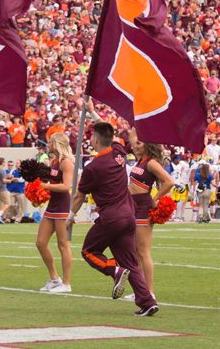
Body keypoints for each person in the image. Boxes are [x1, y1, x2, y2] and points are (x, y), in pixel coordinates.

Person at [68, 122, 158, 317]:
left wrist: (70, 216)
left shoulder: (93, 167)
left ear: (95, 139)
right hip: (129, 214)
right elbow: (118, 137)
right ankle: (147, 301)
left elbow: (78, 196)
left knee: (88, 251)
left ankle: (114, 272)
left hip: (111, 217)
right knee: (130, 262)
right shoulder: (118, 152)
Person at [128, 132, 174, 295]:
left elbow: (169, 182)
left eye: (140, 144)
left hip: (143, 206)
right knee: (135, 251)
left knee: (143, 251)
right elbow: (132, 138)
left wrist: (155, 198)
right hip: (133, 206)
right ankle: (141, 289)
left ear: (147, 145)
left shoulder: (152, 163)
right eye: (136, 144)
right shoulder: (141, 161)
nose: (136, 146)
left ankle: (149, 291)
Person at [37, 132, 74, 293]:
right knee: (40, 242)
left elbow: (66, 186)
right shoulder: (54, 161)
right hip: (52, 204)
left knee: (62, 244)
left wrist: (46, 187)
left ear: (57, 143)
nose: (48, 144)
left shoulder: (66, 162)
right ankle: (54, 278)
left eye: (51, 142)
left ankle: (66, 284)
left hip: (62, 205)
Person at [0, 157, 12, 223]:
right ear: (3, 162)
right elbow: (3, 180)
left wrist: (7, 176)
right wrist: (11, 180)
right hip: (2, 189)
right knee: (8, 203)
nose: (5, 163)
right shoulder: (2, 170)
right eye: (5, 162)